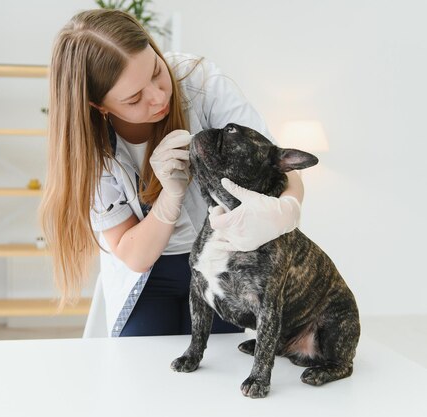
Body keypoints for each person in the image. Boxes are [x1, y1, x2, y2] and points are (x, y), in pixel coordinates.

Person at [39, 9, 304, 337]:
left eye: (156, 71)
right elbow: (134, 255)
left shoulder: (200, 82)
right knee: (145, 372)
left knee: (219, 371)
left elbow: (277, 165)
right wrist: (170, 196)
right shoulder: (90, 149)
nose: (159, 97)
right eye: (134, 98)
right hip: (151, 274)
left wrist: (287, 208)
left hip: (220, 260)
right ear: (99, 106)